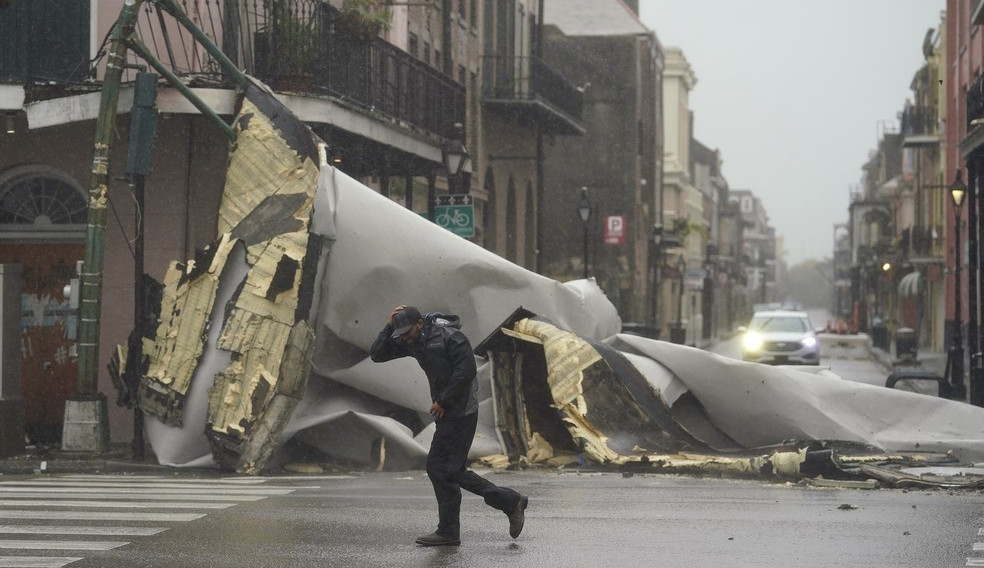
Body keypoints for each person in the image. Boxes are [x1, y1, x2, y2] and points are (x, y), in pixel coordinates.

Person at [370, 305, 528, 547]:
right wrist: (389, 326)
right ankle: (456, 528)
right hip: (446, 411)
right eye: (400, 333)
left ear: (420, 323)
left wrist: (444, 401)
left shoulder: (450, 337)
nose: (404, 337)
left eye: (407, 331)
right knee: (444, 469)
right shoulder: (412, 340)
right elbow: (378, 354)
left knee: (444, 468)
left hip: (462, 410)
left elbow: (466, 371)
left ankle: (503, 504)